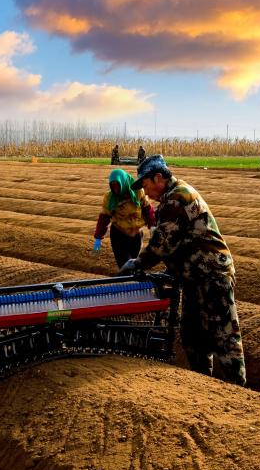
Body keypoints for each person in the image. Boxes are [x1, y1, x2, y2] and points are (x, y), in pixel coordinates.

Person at [123, 155, 246, 385]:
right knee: (193, 337)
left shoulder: (178, 197)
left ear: (158, 178)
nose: (145, 191)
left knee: (223, 336)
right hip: (193, 277)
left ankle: (239, 391)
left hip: (212, 276)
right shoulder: (171, 198)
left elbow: (162, 244)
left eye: (146, 185)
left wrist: (137, 264)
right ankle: (204, 385)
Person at [92, 167, 156, 271]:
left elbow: (148, 210)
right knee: (126, 265)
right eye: (112, 186)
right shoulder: (110, 198)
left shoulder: (138, 192)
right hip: (119, 235)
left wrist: (153, 226)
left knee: (135, 264)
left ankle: (133, 285)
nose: (115, 189)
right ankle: (126, 284)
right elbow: (104, 218)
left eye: (117, 185)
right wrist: (98, 237)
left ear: (124, 182)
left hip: (136, 235)